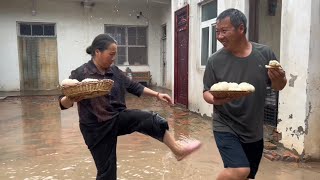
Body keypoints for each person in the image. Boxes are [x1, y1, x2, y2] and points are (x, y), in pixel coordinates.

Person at [59, 34, 201, 180]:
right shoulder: (80, 73)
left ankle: (177, 150)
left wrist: (157, 94)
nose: (114, 58)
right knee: (107, 173)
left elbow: (133, 86)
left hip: (116, 118)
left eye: (115, 55)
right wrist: (71, 97)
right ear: (97, 52)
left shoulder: (114, 71)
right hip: (95, 128)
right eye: (111, 54)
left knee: (149, 119)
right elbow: (62, 103)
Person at [203, 9, 287, 180]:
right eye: (217, 31)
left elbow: (278, 87)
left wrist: (280, 78)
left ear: (241, 29)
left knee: (248, 176)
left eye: (224, 31)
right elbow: (206, 92)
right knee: (239, 170)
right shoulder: (214, 60)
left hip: (253, 128)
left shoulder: (264, 54)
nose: (219, 36)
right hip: (225, 125)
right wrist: (216, 101)